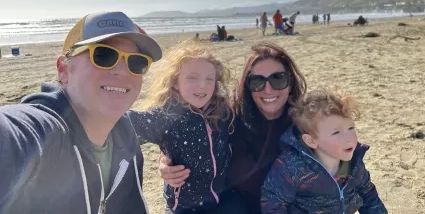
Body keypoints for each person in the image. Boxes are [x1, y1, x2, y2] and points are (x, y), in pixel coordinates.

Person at [0, 11, 162, 214]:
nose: (122, 71)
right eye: (104, 55)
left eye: (136, 62)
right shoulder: (45, 132)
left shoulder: (126, 138)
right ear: (64, 70)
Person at [158, 41, 307, 213]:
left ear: (291, 82)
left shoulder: (307, 123)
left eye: (278, 78)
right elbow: (184, 132)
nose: (268, 89)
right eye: (257, 81)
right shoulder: (228, 117)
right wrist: (165, 162)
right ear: (247, 85)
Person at [129, 41, 241, 214]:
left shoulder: (223, 111)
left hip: (222, 198)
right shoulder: (166, 116)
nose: (202, 85)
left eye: (209, 79)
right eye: (192, 77)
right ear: (175, 82)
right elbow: (129, 123)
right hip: (183, 208)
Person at [261, 87, 387, 214]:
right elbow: (273, 202)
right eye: (336, 132)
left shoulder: (354, 164)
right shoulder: (292, 167)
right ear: (311, 141)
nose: (349, 138)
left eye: (351, 128)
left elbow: (369, 196)